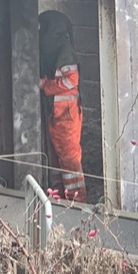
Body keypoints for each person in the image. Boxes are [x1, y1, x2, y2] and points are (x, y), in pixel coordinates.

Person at [39, 11, 87, 203]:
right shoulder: (52, 50)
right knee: (56, 156)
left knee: (69, 158)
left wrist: (45, 86)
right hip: (57, 114)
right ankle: (59, 198)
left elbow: (71, 80)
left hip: (67, 115)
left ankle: (78, 202)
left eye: (43, 29)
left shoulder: (64, 51)